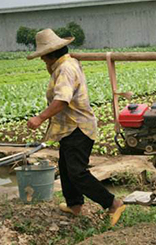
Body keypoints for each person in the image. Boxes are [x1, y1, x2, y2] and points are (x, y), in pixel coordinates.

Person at [27, 28, 126, 226]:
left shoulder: (65, 69)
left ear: (50, 54)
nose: (41, 60)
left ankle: (113, 203)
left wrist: (40, 118)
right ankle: (74, 205)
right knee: (65, 168)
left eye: (43, 56)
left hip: (78, 127)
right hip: (69, 127)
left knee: (77, 172)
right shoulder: (65, 64)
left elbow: (62, 100)